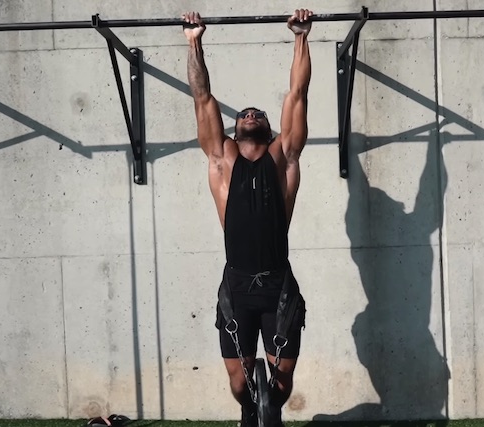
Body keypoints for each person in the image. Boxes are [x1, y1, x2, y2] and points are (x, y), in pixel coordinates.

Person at [182, 8, 313, 427]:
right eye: (244, 113)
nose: (251, 113)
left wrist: (300, 37)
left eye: (258, 112)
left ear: (271, 128)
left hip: (278, 284)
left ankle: (269, 408)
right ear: (234, 128)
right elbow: (202, 97)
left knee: (282, 380)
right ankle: (247, 410)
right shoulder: (221, 160)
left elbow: (297, 93)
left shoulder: (283, 159)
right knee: (240, 384)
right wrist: (194, 42)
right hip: (236, 285)